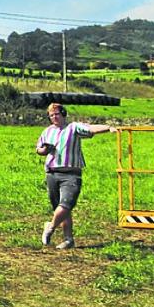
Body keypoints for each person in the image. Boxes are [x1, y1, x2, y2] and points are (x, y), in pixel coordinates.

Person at [35, 102, 116, 249]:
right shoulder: (47, 131)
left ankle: (50, 227)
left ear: (63, 114)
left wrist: (108, 128)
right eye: (51, 115)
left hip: (71, 174)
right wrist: (45, 150)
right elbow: (38, 149)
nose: (54, 117)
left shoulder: (73, 128)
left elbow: (91, 129)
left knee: (66, 204)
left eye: (57, 114)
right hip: (52, 172)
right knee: (59, 207)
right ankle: (68, 239)